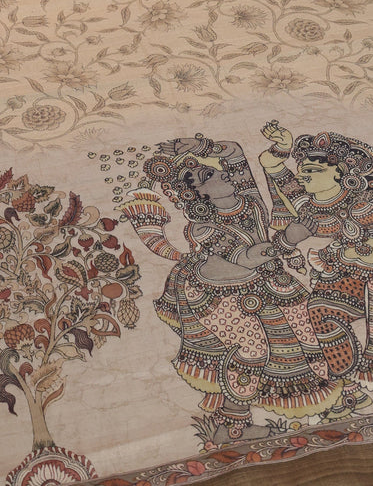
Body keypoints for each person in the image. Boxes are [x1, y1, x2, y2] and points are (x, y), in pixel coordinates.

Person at [121, 135, 341, 444]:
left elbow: (235, 152)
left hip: (265, 279)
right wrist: (288, 240)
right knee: (253, 351)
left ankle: (340, 399)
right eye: (208, 175)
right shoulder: (202, 228)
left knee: (309, 329)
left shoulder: (248, 201)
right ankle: (232, 426)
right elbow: (245, 257)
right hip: (217, 291)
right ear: (198, 195)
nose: (222, 172)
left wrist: (202, 148)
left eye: (215, 169)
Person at [259, 122, 373, 418]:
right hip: (343, 276)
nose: (300, 175)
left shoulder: (365, 202)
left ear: (341, 173)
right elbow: (271, 164)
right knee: (319, 311)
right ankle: (349, 388)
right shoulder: (308, 207)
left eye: (312, 170)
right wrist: (282, 147)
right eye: (301, 170)